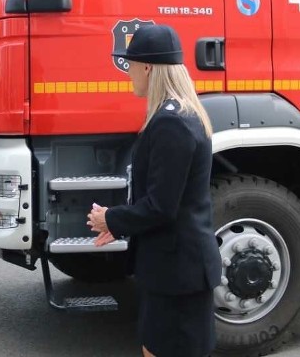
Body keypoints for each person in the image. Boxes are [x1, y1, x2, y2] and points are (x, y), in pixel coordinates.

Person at [86, 24, 220, 357]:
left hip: (177, 273)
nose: (128, 73)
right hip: (174, 268)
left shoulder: (171, 123)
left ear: (148, 67)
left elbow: (161, 206)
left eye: (130, 65)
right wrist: (119, 225)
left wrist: (111, 219)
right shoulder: (176, 116)